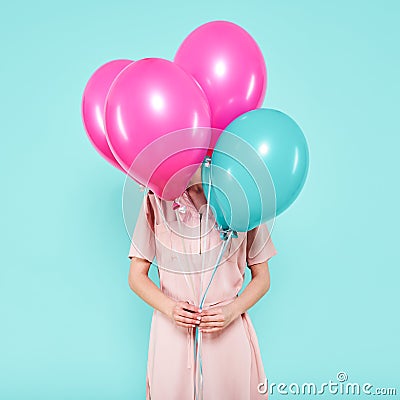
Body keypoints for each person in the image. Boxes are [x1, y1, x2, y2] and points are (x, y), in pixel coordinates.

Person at [127, 164, 278, 400]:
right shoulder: (156, 199)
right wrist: (170, 308)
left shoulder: (243, 200)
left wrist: (232, 311)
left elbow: (263, 278)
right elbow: (136, 276)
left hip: (227, 332)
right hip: (171, 332)